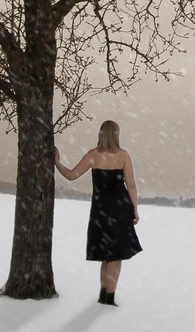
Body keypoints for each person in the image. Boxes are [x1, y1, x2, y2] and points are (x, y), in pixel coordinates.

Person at [54, 120, 142, 306]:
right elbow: (131, 185)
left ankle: (103, 294)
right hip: (119, 210)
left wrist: (57, 162)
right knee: (116, 256)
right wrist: (134, 208)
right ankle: (109, 298)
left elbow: (71, 175)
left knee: (106, 255)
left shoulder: (92, 155)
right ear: (116, 135)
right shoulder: (123, 155)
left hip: (100, 211)